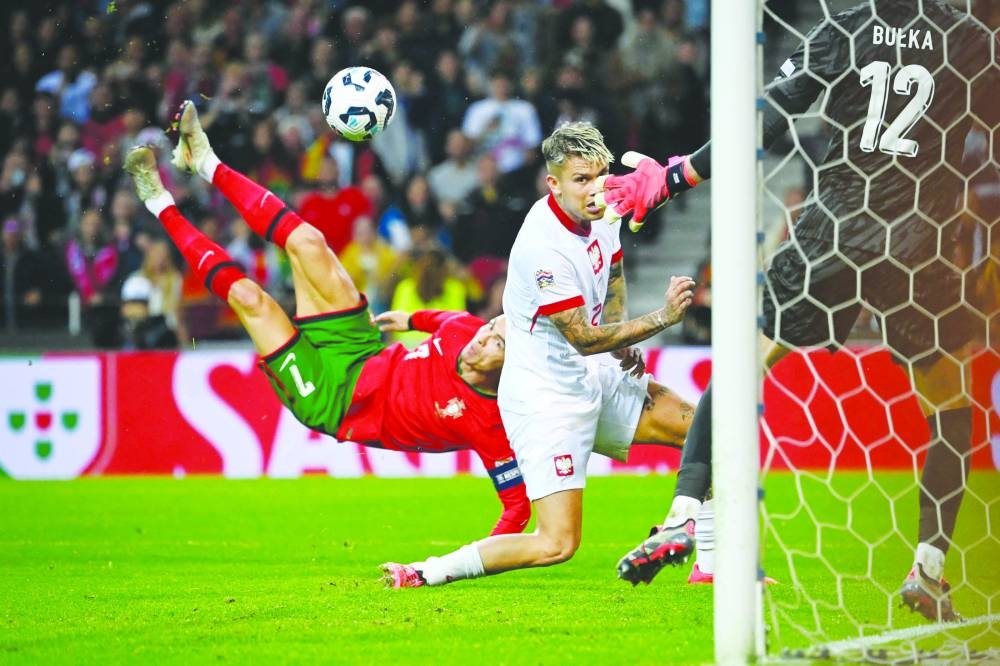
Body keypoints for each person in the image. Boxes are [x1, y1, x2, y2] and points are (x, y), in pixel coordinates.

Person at [600, 0, 999, 622]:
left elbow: (766, 121)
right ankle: (928, 565)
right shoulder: (969, 36)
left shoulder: (845, 25)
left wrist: (677, 178)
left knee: (742, 369)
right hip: (918, 248)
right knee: (950, 406)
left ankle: (682, 515)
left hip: (829, 235)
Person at [123, 100, 526, 537]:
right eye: (492, 326)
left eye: (497, 343)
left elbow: (516, 510)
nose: (483, 337)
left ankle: (159, 202)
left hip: (332, 403)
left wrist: (469, 561)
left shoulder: (490, 423)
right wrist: (410, 319)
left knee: (250, 298)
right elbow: (446, 319)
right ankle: (204, 160)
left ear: (509, 368)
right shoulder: (467, 329)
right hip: (361, 349)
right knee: (309, 242)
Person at [381, 122, 696, 588]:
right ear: (554, 183)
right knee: (557, 543)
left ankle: (704, 563)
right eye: (581, 180)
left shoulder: (605, 207)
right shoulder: (543, 248)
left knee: (704, 431)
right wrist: (661, 318)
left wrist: (622, 338)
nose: (595, 190)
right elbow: (583, 338)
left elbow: (612, 271)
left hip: (588, 376)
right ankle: (424, 572)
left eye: (600, 175)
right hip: (545, 400)